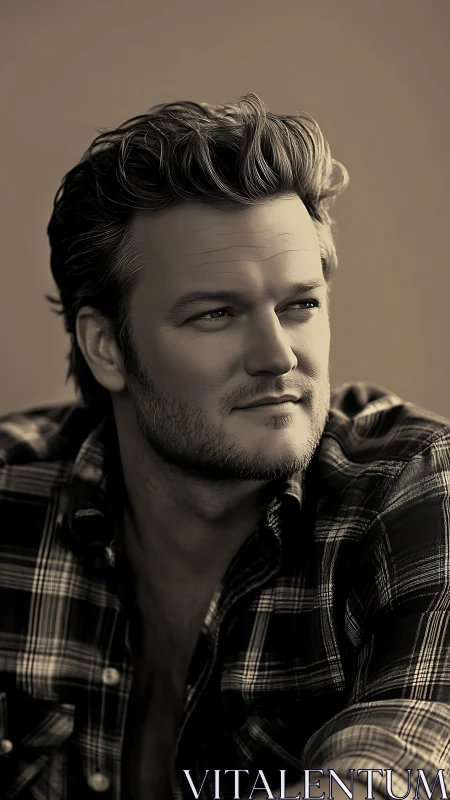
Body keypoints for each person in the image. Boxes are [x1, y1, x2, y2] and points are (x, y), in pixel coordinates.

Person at [0, 93, 449, 800]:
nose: (278, 356)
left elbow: (401, 763)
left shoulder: (413, 490)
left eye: (300, 305)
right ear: (106, 347)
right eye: (215, 314)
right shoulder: (9, 493)